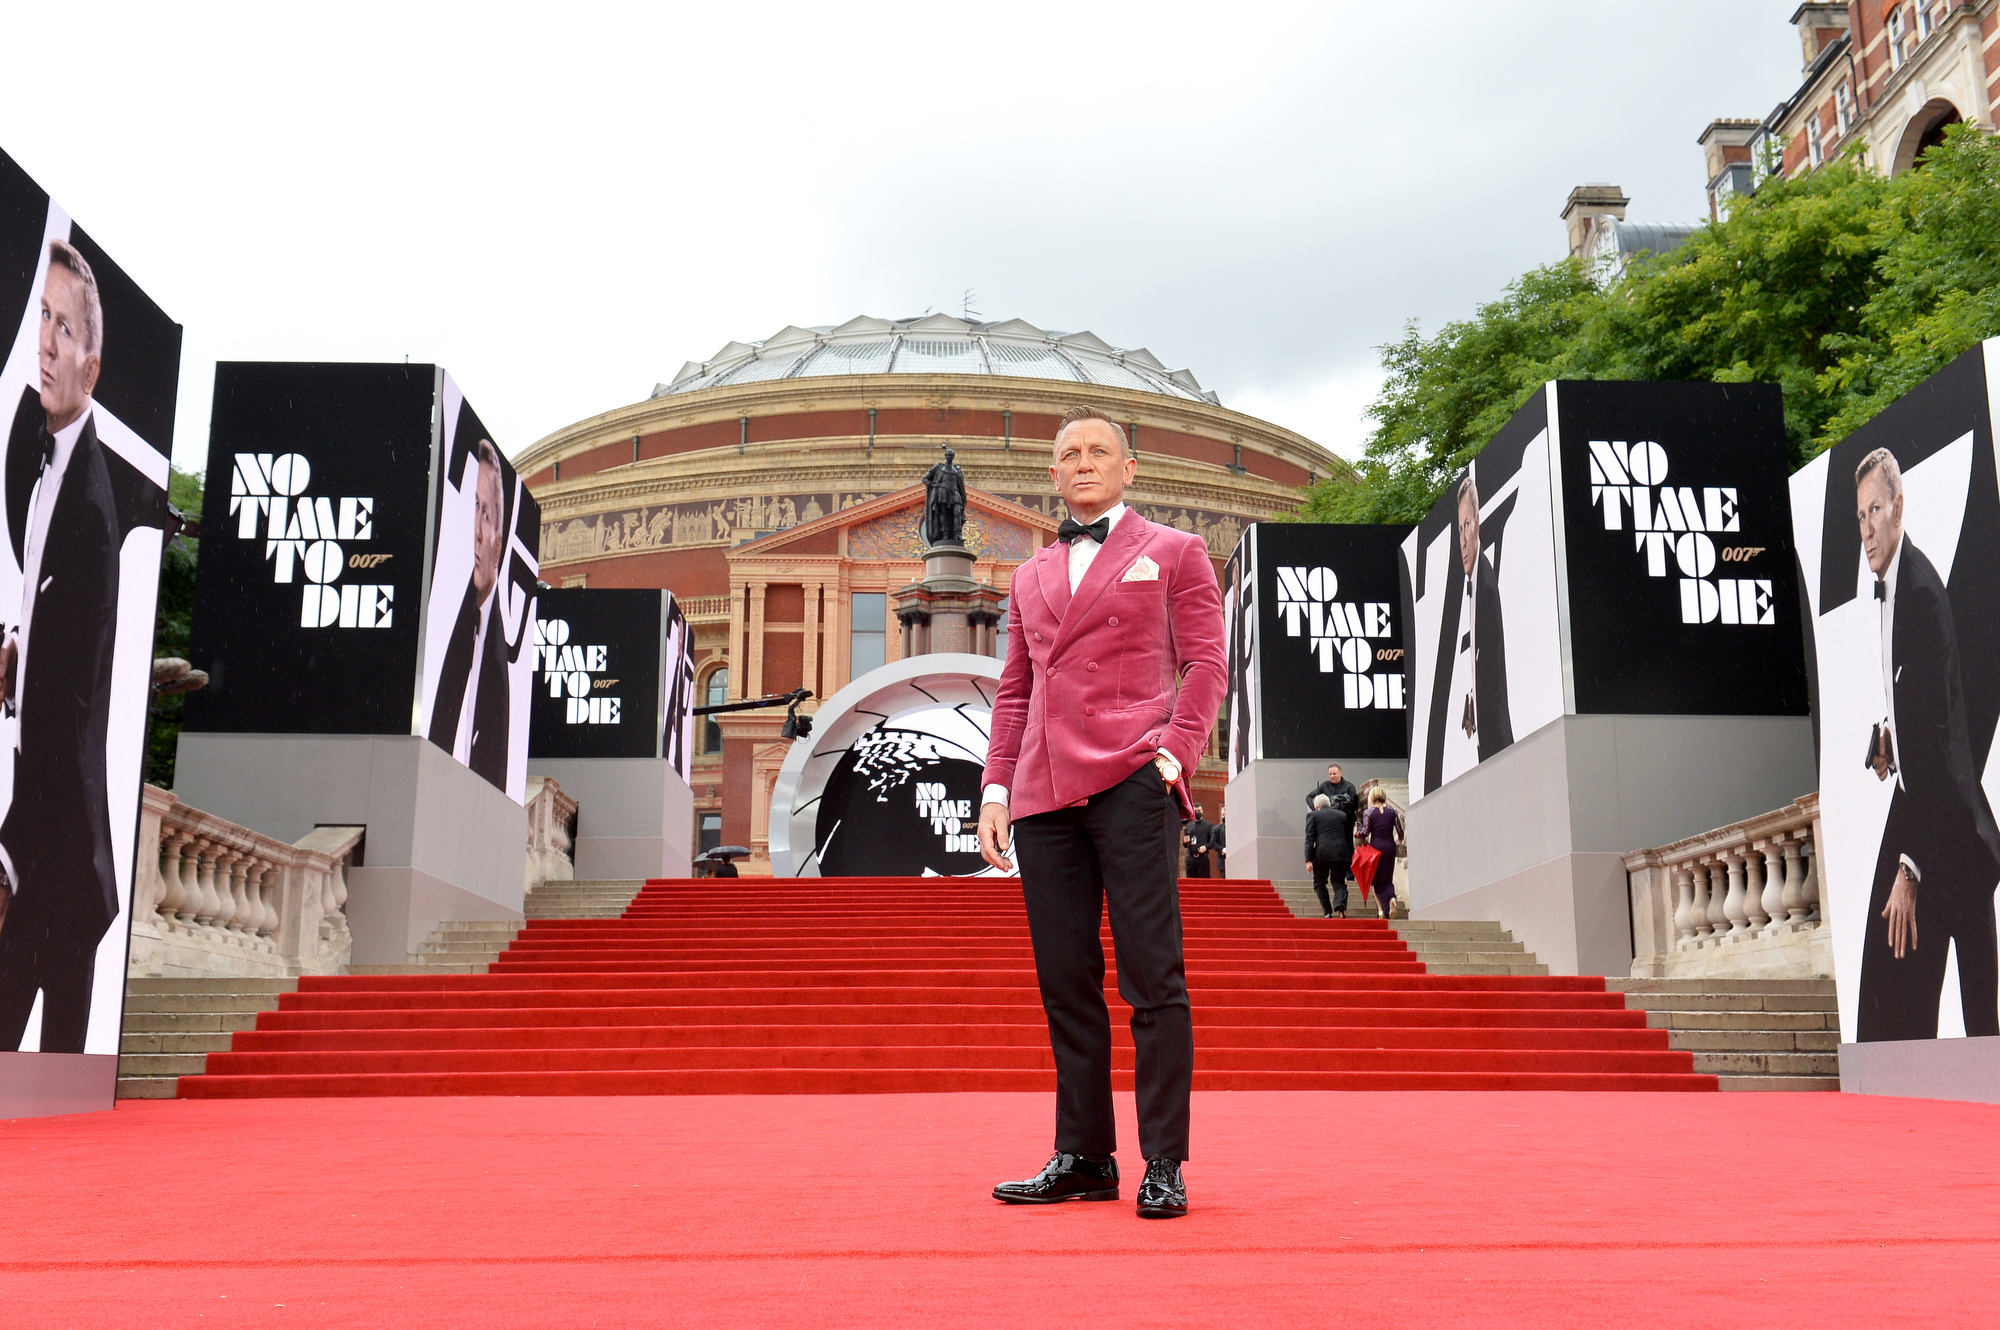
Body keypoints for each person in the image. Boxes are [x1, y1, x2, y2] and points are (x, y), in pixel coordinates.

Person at [978, 404, 1225, 1220]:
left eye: (1098, 451)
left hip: (1131, 779)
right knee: (1066, 980)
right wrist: (996, 788)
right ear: (1052, 475)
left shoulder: (1175, 552)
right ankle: (1084, 1154)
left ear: (1129, 470)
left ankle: (1163, 1160)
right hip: (1045, 793)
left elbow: (1205, 663)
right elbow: (1016, 691)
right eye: (1068, 454)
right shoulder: (1028, 575)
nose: (1082, 463)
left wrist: (1172, 756)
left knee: (1153, 976)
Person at [0, 242, 123, 1053]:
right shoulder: (39, 457)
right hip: (51, 850)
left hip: (57, 858)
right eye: (42, 316)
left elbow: (66, 724)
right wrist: (14, 641)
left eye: (65, 327)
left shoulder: (89, 511)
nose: (46, 341)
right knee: (49, 1088)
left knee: (36, 1067)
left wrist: (7, 858)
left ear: (93, 364)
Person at [1852, 447, 2000, 1041]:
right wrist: (1888, 741)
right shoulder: (1890, 587)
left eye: (1875, 511)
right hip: (1932, 821)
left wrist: (1909, 868)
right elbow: (1916, 710)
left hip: (1952, 838)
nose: (1865, 529)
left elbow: (1939, 741)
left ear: (1899, 508)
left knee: (1982, 1022)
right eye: (1858, 516)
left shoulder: (1919, 595)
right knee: (1931, 1007)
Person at [428, 438, 512, 789]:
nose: (477, 531)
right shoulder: (446, 622)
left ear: (499, 539)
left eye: (487, 514)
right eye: (474, 508)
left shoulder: (500, 662)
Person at [1424, 471, 1513, 789]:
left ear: (1477, 522)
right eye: (1458, 529)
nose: (1462, 539)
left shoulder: (1484, 582)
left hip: (1496, 735)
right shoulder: (1474, 581)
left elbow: (1488, 662)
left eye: (1466, 526)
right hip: (1487, 732)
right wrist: (1470, 706)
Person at [1304, 793, 1355, 918]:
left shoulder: (1312, 815)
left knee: (1319, 883)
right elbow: (1349, 838)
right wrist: (1351, 856)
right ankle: (1340, 903)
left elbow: (1310, 839)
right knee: (1339, 881)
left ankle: (1327, 912)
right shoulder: (1342, 815)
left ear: (1316, 806)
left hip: (1322, 853)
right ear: (1330, 804)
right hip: (1341, 852)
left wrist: (1308, 860)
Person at [1357, 787, 1404, 919]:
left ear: (1372, 798)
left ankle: (1381, 911)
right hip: (1390, 847)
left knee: (1375, 881)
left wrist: (1357, 833)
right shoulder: (1392, 812)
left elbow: (1365, 832)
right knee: (1388, 879)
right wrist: (1399, 839)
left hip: (1375, 848)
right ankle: (1392, 898)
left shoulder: (1369, 812)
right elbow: (1400, 831)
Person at [1182, 804, 1215, 878]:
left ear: (1202, 811)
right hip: (1190, 858)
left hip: (1202, 858)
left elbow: (1213, 842)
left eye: (1199, 810)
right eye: (1195, 811)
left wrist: (1206, 847)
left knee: (1204, 882)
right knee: (1190, 882)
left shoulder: (1208, 826)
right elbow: (1185, 845)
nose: (1197, 812)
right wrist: (1184, 842)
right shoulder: (1189, 826)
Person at [1212, 806, 1227, 876]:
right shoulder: (1216, 829)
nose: (1223, 816)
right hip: (1222, 860)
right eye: (1222, 815)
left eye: (1225, 815)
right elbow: (1213, 843)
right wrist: (1222, 849)